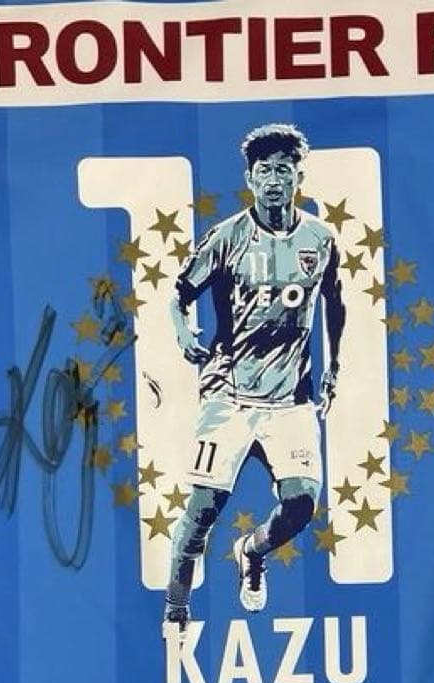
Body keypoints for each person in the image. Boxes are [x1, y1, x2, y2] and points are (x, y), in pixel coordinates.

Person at [163, 122, 346, 636]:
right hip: (229, 394)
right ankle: (176, 610)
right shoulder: (228, 237)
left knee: (302, 503)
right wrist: (183, 331)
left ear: (298, 177)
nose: (273, 180)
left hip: (291, 398)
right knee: (202, 509)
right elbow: (179, 292)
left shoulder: (320, 239)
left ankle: (253, 551)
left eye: (283, 170)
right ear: (249, 178)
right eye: (264, 171)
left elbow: (335, 302)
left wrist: (333, 366)